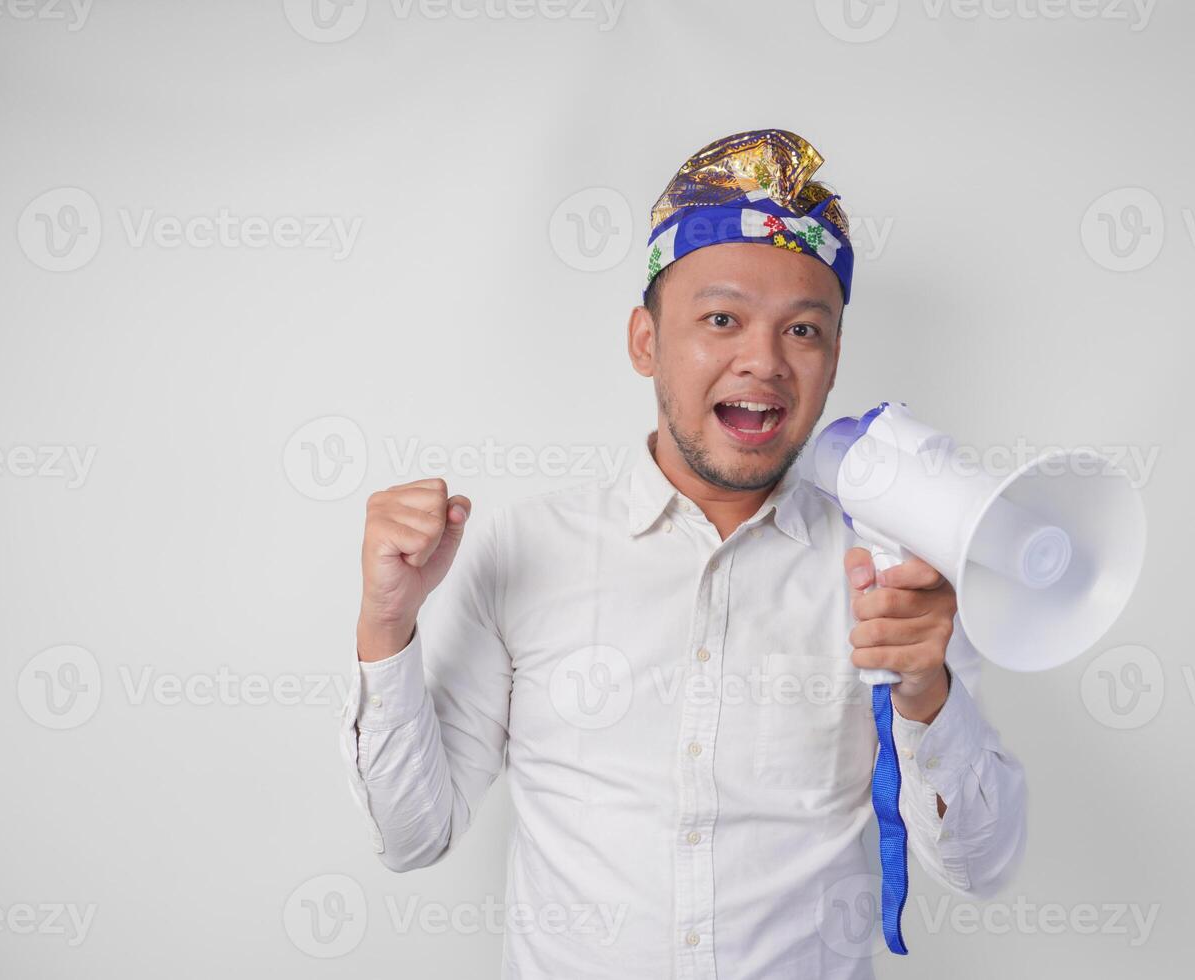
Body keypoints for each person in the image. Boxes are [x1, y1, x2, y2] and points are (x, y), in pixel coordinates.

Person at [339, 128, 1027, 979]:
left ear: (835, 358)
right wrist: (387, 623)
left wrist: (929, 691)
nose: (764, 361)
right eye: (721, 319)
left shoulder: (896, 574)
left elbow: (980, 866)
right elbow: (412, 836)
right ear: (645, 341)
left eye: (803, 330)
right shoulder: (524, 551)